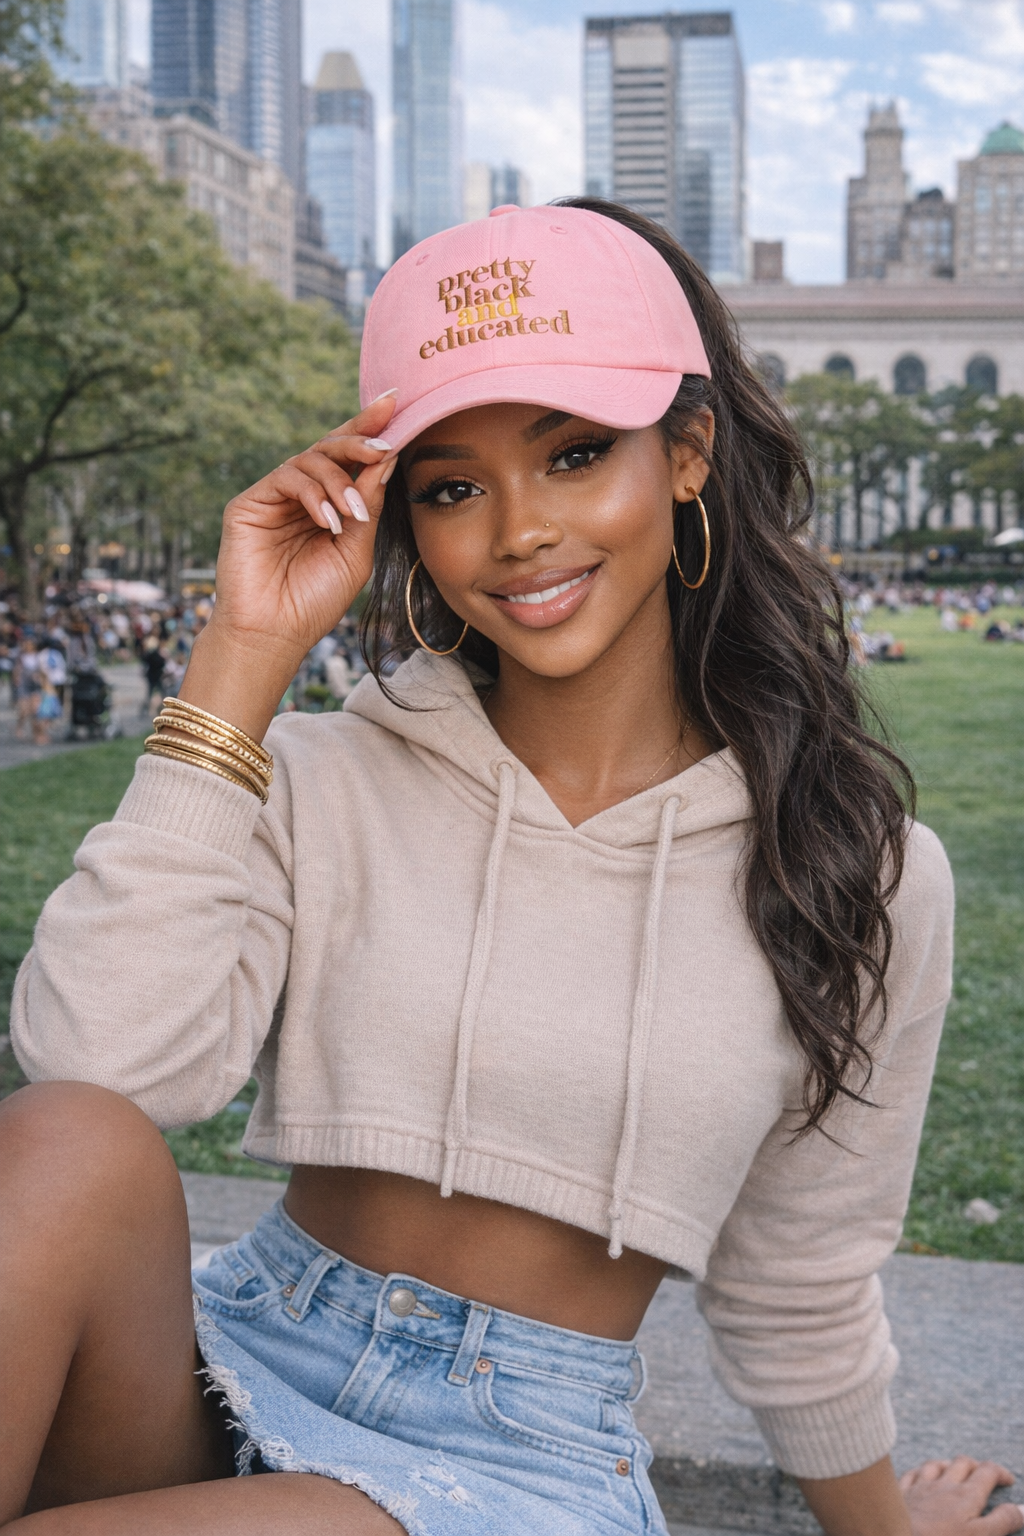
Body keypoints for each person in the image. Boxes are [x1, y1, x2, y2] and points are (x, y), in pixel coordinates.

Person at [4, 202, 1021, 1536]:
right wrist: (237, 663)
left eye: (575, 453)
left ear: (690, 454)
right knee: (72, 1139)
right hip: (230, 1349)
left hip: (515, 1463)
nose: (519, 531)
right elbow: (108, 1071)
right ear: (400, 516)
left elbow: (801, 1281)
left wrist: (886, 1531)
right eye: (453, 485)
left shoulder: (859, 868)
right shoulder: (323, 774)